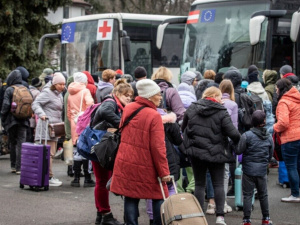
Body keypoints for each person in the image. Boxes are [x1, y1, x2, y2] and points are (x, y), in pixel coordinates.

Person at [111, 79, 171, 225]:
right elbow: (158, 147)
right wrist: (164, 172)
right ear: (150, 96)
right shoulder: (154, 115)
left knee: (131, 196)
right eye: (158, 94)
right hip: (146, 164)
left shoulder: (129, 108)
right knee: (157, 195)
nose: (160, 97)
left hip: (126, 160)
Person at [182, 86, 240, 225]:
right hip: (217, 152)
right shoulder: (221, 111)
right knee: (218, 184)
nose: (221, 100)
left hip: (196, 153)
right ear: (214, 96)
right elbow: (233, 133)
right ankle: (220, 216)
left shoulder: (192, 108)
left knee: (200, 185)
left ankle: (199, 215)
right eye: (220, 97)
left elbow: (183, 128)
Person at [91, 79, 132, 225]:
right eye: (125, 94)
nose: (128, 97)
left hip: (102, 146)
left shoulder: (116, 104)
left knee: (102, 180)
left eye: (130, 95)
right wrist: (122, 124)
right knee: (102, 181)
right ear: (117, 93)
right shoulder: (111, 102)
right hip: (102, 146)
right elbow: (104, 111)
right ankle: (106, 215)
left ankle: (101, 214)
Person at [236, 110, 273, 225]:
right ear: (264, 121)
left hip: (248, 170)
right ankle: (266, 219)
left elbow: (239, 151)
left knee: (247, 194)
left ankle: (247, 220)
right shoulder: (268, 137)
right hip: (262, 170)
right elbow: (270, 155)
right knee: (263, 195)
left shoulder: (246, 135)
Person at [146, 109, 181, 225]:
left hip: (149, 159)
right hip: (169, 158)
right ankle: (170, 214)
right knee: (171, 186)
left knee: (152, 191)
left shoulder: (145, 119)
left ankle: (152, 218)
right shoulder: (169, 122)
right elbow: (178, 141)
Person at [32, 72, 66, 186]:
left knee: (50, 153)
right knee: (49, 153)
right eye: (60, 84)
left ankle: (47, 176)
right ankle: (49, 176)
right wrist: (42, 114)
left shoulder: (58, 94)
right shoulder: (47, 92)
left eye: (64, 84)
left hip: (54, 127)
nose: (62, 86)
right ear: (54, 83)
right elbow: (35, 104)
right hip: (46, 126)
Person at [273, 78, 300, 202]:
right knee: (298, 166)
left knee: (291, 166)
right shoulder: (297, 98)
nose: (276, 91)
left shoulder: (284, 102)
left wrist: (274, 127)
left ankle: (295, 194)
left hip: (290, 138)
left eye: (277, 88)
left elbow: (283, 123)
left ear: (281, 89)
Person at [67, 72, 95, 187]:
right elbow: (90, 104)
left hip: (74, 122)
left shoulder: (70, 93)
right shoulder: (85, 91)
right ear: (84, 81)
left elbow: (68, 112)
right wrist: (87, 116)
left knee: (77, 150)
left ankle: (76, 178)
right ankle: (87, 178)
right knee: (85, 150)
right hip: (84, 122)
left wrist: (72, 120)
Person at [0, 70, 30, 174]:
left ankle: (13, 165)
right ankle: (19, 168)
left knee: (12, 142)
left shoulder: (9, 89)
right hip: (24, 120)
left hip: (11, 120)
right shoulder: (26, 88)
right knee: (21, 143)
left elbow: (5, 105)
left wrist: (3, 118)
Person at [220, 79, 238, 214]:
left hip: (214, 141)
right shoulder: (232, 104)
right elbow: (234, 126)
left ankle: (214, 201)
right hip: (226, 142)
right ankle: (223, 202)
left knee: (213, 173)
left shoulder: (216, 103)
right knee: (225, 172)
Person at [27, 78, 42, 142]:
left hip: (27, 114)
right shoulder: (37, 93)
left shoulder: (27, 90)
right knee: (32, 133)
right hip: (33, 115)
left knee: (28, 132)